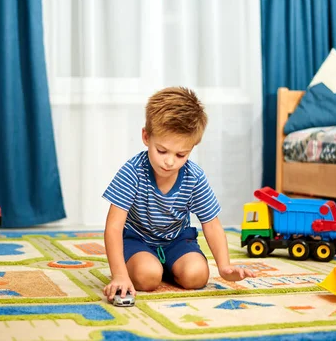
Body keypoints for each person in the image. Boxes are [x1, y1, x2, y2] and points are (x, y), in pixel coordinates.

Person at [102, 86, 255, 302]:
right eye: (162, 151)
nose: (170, 161)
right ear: (146, 136)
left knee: (197, 276)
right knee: (147, 277)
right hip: (138, 240)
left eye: (181, 154)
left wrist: (224, 266)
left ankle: (169, 265)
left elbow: (211, 223)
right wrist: (119, 275)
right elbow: (114, 226)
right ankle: (149, 265)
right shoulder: (132, 171)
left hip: (177, 240)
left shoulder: (194, 176)